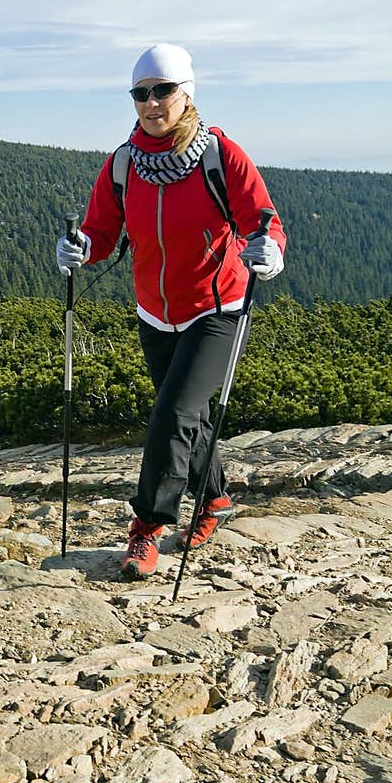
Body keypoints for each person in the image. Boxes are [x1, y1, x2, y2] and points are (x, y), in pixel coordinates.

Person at [56, 43, 286, 579]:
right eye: (141, 93)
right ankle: (214, 499)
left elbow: (263, 218)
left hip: (218, 307)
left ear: (187, 93)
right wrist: (80, 248)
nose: (151, 102)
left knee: (173, 415)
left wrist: (269, 250)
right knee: (191, 416)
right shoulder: (122, 163)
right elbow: (100, 230)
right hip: (155, 313)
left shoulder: (220, 156)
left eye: (162, 91)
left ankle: (147, 527)